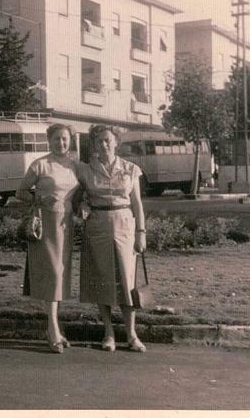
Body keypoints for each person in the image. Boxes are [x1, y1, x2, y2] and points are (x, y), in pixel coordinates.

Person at [73, 124, 147, 353]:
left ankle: (131, 334)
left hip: (125, 224)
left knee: (127, 281)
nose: (103, 145)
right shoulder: (85, 170)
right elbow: (75, 200)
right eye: (98, 141)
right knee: (102, 279)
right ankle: (108, 332)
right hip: (97, 226)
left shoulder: (130, 169)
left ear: (116, 142)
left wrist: (141, 232)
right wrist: (82, 205)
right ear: (93, 145)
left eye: (107, 140)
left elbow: (137, 204)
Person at [16, 123, 80, 354]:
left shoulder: (75, 165)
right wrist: (39, 200)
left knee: (61, 275)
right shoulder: (40, 164)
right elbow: (20, 192)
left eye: (64, 139)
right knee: (52, 274)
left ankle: (55, 328)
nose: (61, 143)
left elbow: (81, 193)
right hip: (47, 225)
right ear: (49, 141)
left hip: (66, 225)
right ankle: (53, 330)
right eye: (56, 139)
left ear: (70, 141)